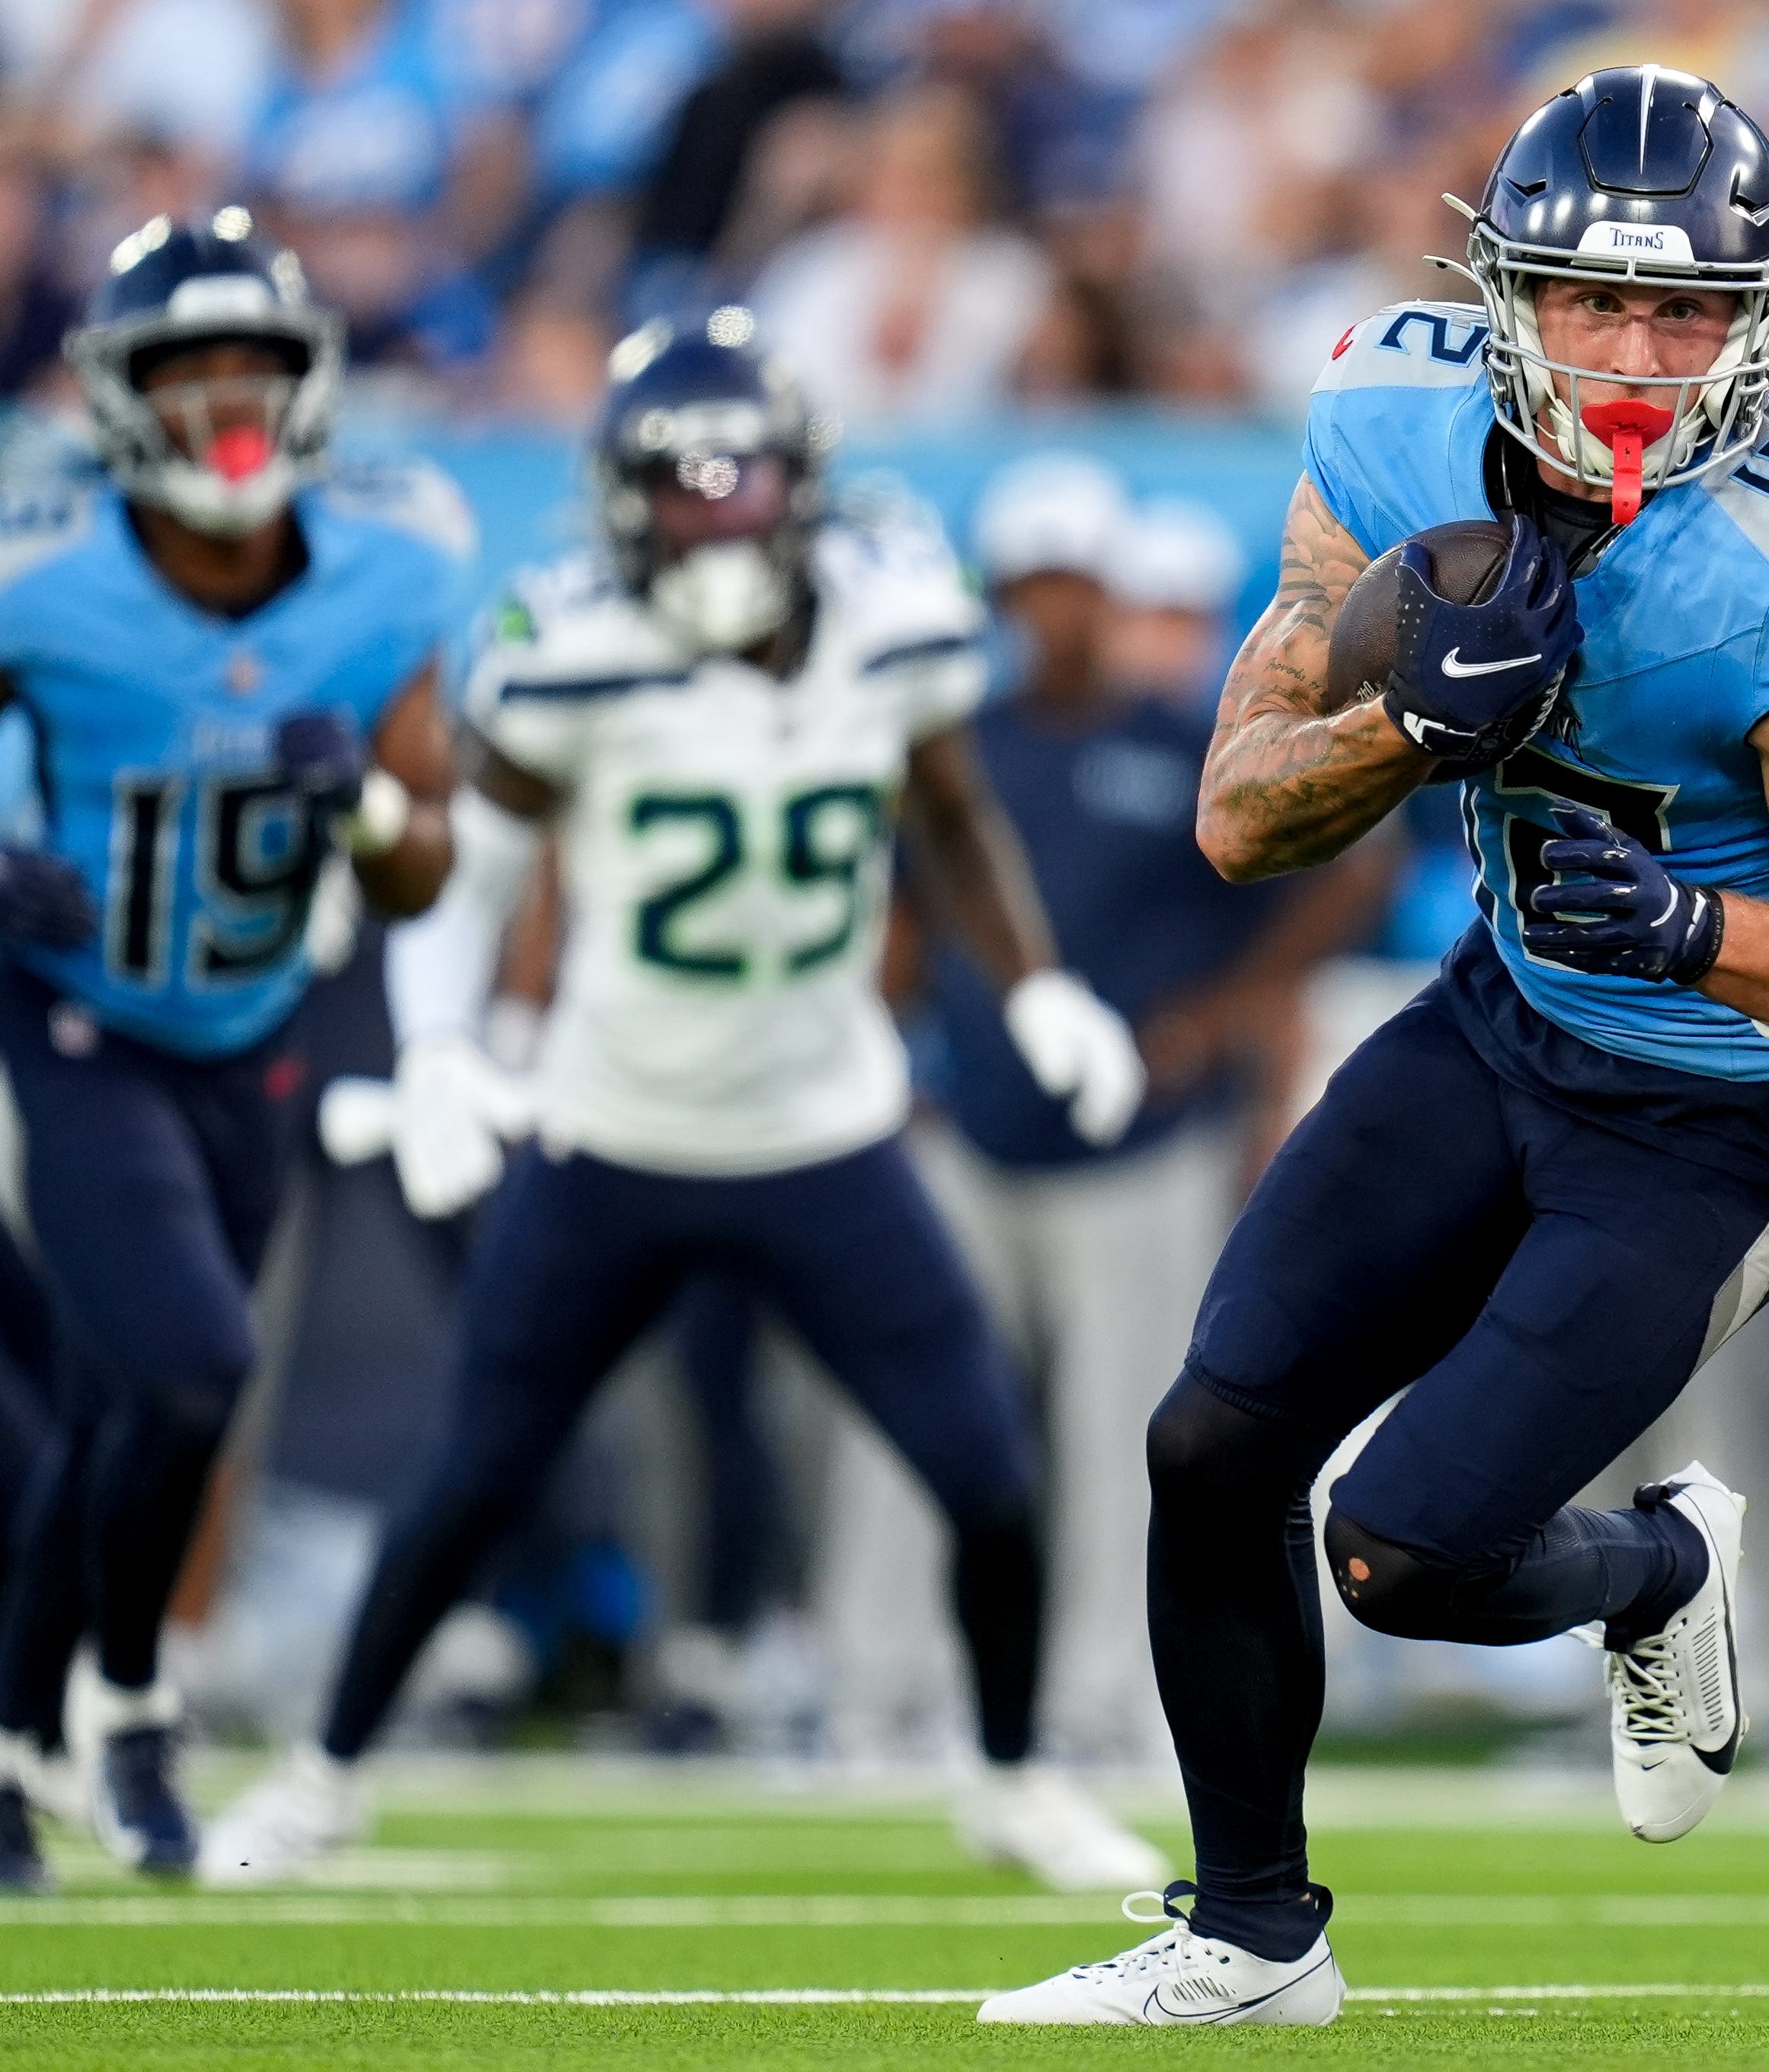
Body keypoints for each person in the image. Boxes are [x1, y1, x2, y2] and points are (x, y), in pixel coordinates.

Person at [979, 65, 1769, 2027]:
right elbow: (1239, 809)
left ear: (1756, 321)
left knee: (1404, 1555)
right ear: (1507, 296)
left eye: (1683, 309)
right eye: (1592, 303)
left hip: (1718, 1116)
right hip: (1501, 1017)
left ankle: (1655, 1572)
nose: (1630, 354)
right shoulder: (1387, 421)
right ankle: (1254, 1938)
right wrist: (1406, 731)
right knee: (1210, 1442)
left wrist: (1712, 928)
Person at [194, 309, 1158, 1893]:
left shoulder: (888, 620)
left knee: (985, 1467)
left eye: (742, 478)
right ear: (622, 499)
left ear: (804, 486)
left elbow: (954, 815)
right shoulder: (574, 641)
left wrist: (1037, 980)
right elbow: (480, 861)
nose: (713, 512)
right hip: (613, 1129)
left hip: (823, 1130)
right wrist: (441, 1049)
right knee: (470, 1471)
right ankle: (323, 1774)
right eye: (678, 483)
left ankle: (1008, 1780)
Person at [0, 213, 465, 1890]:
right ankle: (126, 1700)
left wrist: (375, 802)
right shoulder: (40, 564)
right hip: (73, 1019)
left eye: (250, 367)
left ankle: (22, 1730)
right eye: (184, 371)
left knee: (147, 1394)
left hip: (252, 1029)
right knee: (190, 1367)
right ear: (119, 396)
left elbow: (425, 875)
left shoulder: (390, 566)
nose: (223, 403)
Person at [907, 474, 1393, 1763]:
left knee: (1129, 1431)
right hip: (969, 1125)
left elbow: (1349, 863)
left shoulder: (1178, 744)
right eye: (1036, 584)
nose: (1059, 610)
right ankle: (888, 1687)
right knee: (921, 1422)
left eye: (1079, 585)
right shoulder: (962, 740)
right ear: (1004, 596)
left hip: (1137, 1143)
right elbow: (906, 906)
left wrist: (1223, 1012)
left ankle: (1099, 1698)